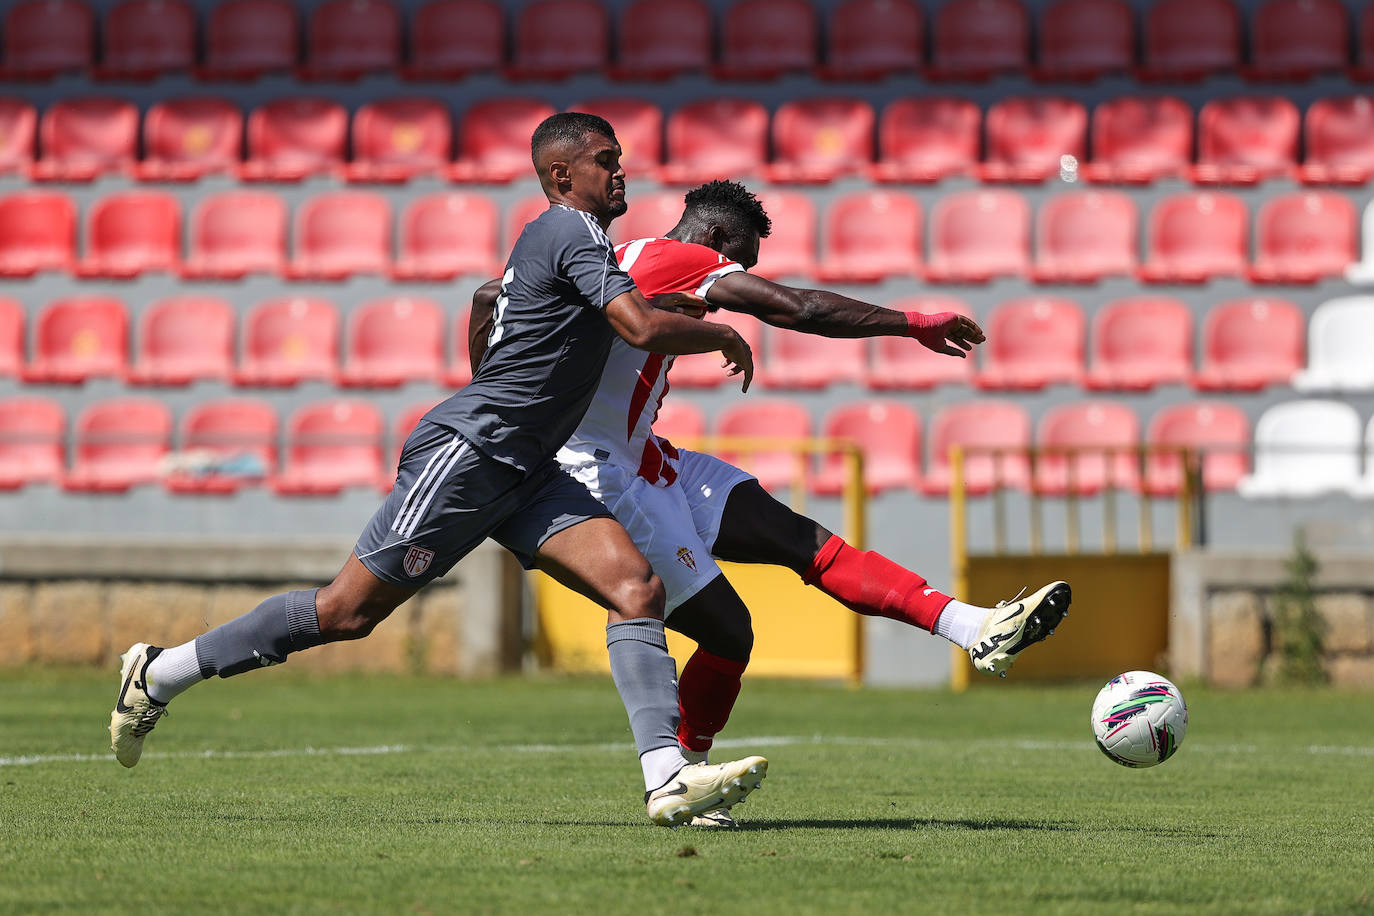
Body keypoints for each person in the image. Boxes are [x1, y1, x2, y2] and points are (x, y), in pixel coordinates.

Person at [109, 115, 770, 829]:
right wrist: (719, 330)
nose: (620, 172)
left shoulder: (584, 247)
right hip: (471, 454)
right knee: (345, 613)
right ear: (560, 176)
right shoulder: (567, 231)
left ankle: (666, 778)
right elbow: (638, 327)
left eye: (619, 159)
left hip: (527, 470)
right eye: (606, 161)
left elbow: (500, 302)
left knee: (635, 586)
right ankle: (159, 671)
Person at [468, 180, 1072, 827]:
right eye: (741, 262)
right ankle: (676, 777)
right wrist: (911, 322)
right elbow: (797, 308)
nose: (739, 275)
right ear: (718, 240)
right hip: (606, 474)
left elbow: (489, 298)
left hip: (652, 457)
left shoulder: (633, 255)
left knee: (800, 542)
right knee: (725, 628)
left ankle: (975, 628)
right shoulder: (686, 258)